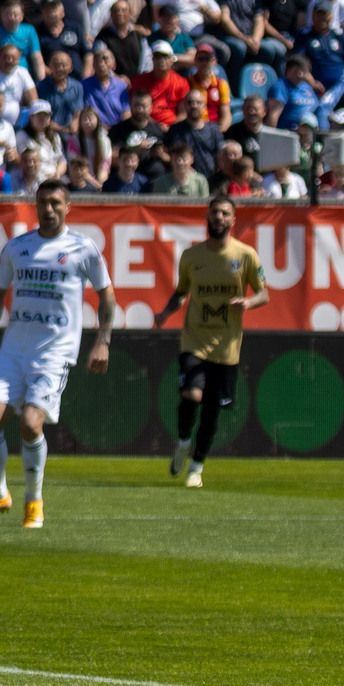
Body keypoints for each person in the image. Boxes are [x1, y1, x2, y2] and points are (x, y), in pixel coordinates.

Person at [0, 177, 114, 530]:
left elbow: (107, 297)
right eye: (43, 203)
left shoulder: (84, 248)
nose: (48, 209)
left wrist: (103, 341)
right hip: (12, 352)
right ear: (35, 206)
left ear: (68, 207)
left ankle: (34, 502)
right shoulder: (17, 247)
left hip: (53, 355)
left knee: (31, 424)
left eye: (55, 203)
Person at [151, 192, 267, 489]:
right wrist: (165, 312)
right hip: (195, 339)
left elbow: (264, 293)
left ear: (233, 219)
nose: (219, 218)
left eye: (225, 213)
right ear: (207, 217)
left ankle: (196, 467)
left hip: (227, 346)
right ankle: (182, 441)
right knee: (192, 395)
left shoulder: (246, 255)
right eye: (215, 212)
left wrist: (249, 303)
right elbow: (182, 292)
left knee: (213, 409)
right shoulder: (192, 257)